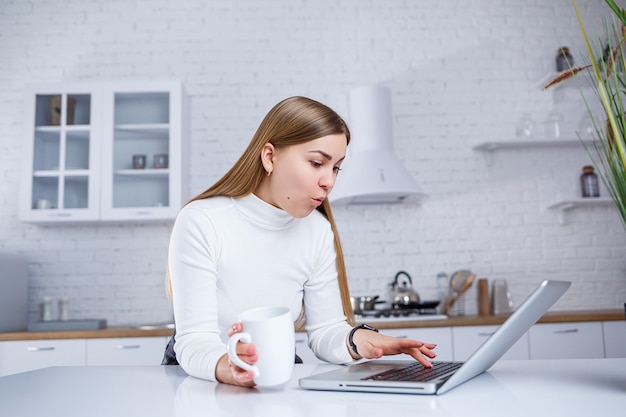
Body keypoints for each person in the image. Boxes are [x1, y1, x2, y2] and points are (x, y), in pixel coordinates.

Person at [162, 95, 437, 387]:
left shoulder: (317, 231)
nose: (328, 181)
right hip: (201, 378)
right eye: (317, 163)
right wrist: (227, 366)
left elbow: (325, 332)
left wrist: (359, 340)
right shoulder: (203, 220)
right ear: (270, 157)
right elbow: (193, 341)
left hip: (276, 373)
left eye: (335, 168)